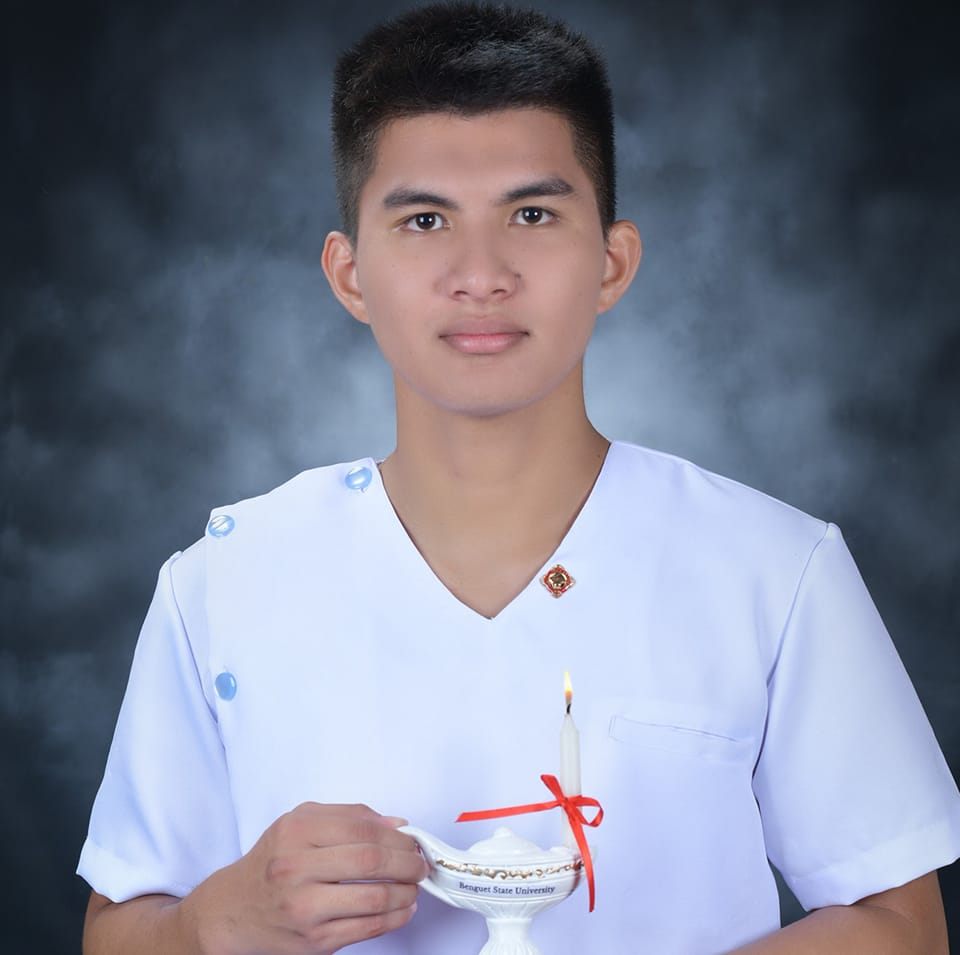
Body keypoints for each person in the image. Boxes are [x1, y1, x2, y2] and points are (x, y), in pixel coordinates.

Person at [78, 4, 960, 953]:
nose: (481, 273)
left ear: (612, 261)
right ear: (350, 274)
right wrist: (222, 919)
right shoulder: (227, 579)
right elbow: (118, 928)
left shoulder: (774, 570)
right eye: (424, 220)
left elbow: (900, 923)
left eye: (532, 214)